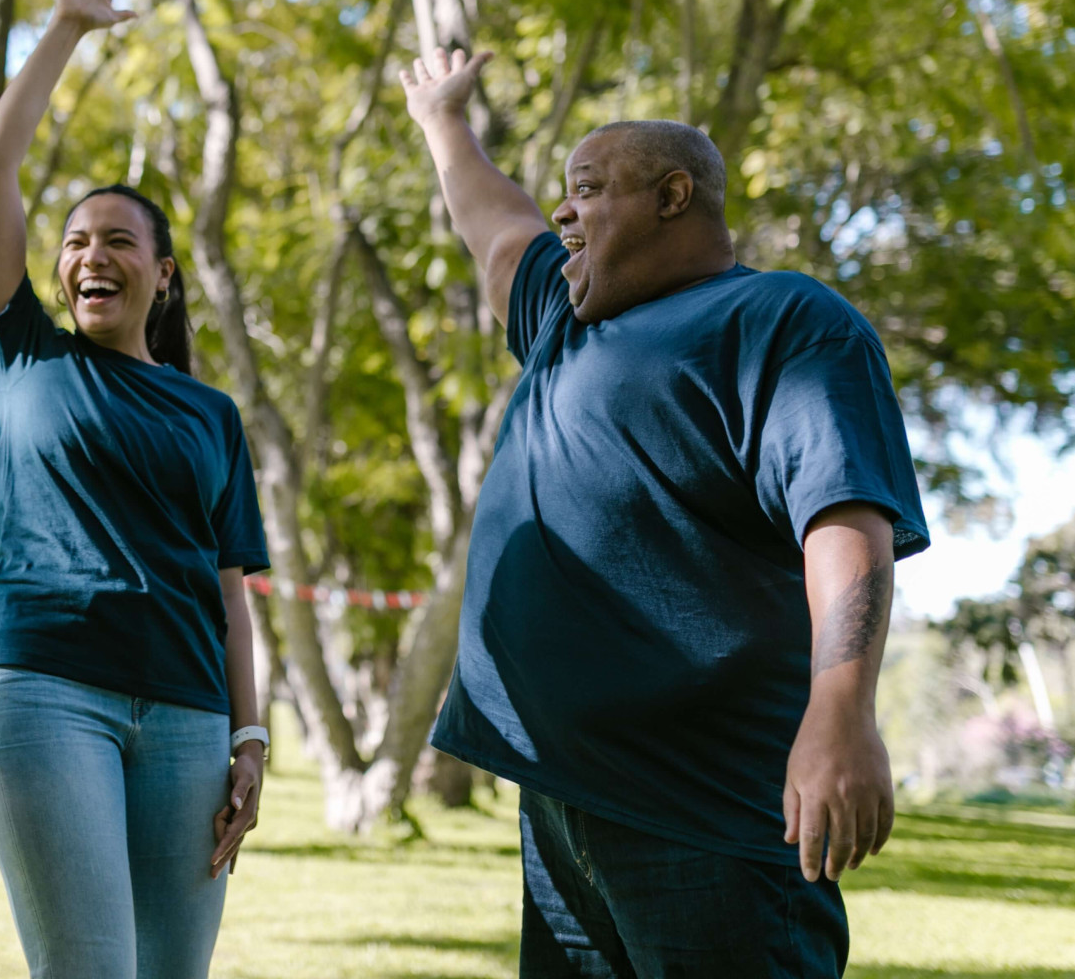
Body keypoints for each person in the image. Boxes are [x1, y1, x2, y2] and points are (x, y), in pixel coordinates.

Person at [399, 48, 931, 977]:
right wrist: (442, 116)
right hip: (560, 803)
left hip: (703, 811)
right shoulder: (565, 319)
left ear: (674, 197)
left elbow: (844, 516)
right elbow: (494, 226)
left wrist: (842, 714)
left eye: (589, 187)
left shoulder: (779, 318)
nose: (562, 210)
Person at [0, 0, 272, 979]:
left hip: (188, 716)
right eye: (76, 240)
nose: (93, 253)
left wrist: (252, 735)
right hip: (48, 687)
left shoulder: (212, 414)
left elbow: (231, 592)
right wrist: (65, 29)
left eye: (119, 240)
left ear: (164, 274)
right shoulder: (24, 352)